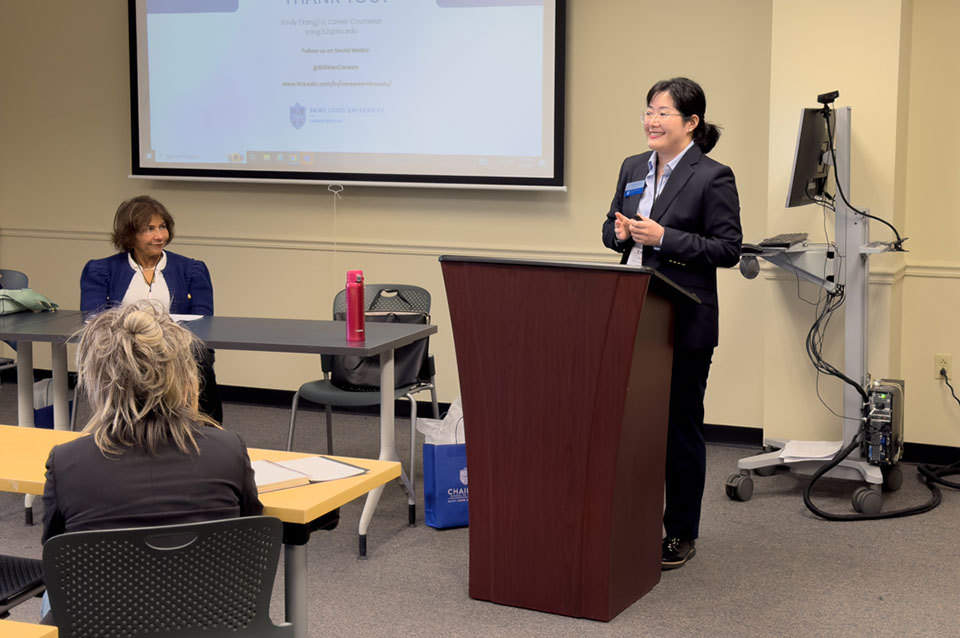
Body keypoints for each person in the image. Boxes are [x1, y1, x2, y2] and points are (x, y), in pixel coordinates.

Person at [40, 302, 262, 624]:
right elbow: (249, 546)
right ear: (185, 377)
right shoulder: (229, 451)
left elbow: (55, 559)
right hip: (210, 621)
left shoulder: (66, 463)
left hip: (101, 626)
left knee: (53, 595)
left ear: (100, 384)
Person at [601, 77, 742, 570]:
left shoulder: (712, 176)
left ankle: (680, 531)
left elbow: (727, 249)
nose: (651, 120)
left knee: (678, 428)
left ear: (691, 122)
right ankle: (631, 521)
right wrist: (619, 232)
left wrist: (665, 237)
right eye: (648, 110)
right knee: (629, 425)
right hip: (631, 312)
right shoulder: (633, 166)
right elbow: (609, 229)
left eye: (662, 112)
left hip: (683, 316)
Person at [80, 195, 223, 423]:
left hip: (176, 351)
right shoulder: (101, 270)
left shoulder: (192, 270)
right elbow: (93, 321)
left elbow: (202, 325)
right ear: (130, 235)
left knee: (200, 355)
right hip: (124, 352)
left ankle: (205, 429)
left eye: (162, 227)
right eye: (149, 229)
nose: (159, 236)